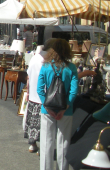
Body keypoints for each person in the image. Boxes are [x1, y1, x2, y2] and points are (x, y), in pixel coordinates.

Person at [37, 38, 78, 170]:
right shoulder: (71, 68)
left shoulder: (46, 66)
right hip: (66, 110)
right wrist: (66, 106)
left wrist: (47, 106)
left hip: (47, 109)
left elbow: (40, 89)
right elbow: (74, 90)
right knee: (63, 143)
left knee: (46, 143)